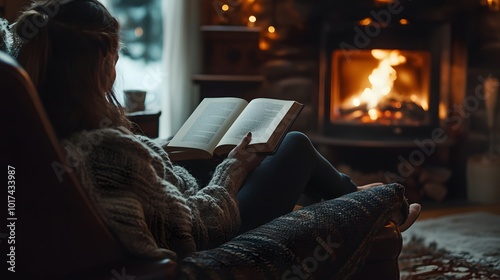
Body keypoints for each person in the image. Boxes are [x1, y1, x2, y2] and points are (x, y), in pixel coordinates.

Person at [9, 0, 420, 261]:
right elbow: (197, 229)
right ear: (98, 63)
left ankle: (353, 198)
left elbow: (145, 187)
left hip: (187, 197)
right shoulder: (107, 151)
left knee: (248, 155)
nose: (115, 69)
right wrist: (233, 170)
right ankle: (375, 208)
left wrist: (164, 152)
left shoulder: (43, 124)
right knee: (292, 145)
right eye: (114, 56)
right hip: (218, 229)